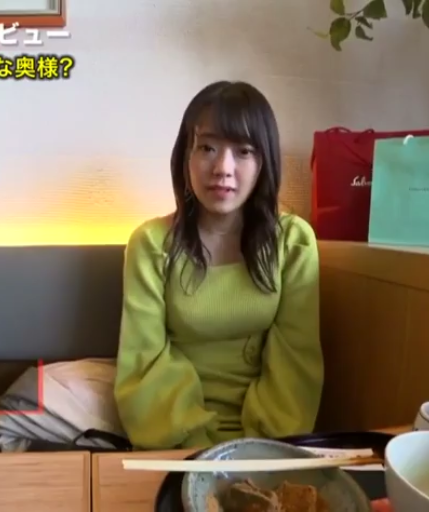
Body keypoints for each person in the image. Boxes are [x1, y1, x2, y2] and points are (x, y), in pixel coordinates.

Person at [114, 81, 323, 449]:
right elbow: (144, 366)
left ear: (264, 162)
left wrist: (254, 454)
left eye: (243, 151)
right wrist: (199, 452)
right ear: (186, 156)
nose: (223, 168)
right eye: (208, 148)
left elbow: (296, 367)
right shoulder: (150, 244)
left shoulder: (293, 242)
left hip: (269, 444)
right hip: (174, 440)